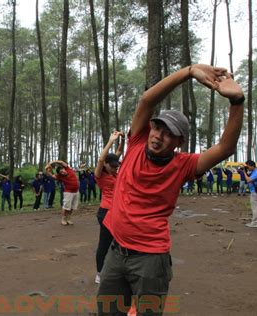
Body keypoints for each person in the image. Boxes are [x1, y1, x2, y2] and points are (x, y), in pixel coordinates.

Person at [97, 64, 244, 315]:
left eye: (168, 134)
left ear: (179, 142)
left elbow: (225, 148)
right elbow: (146, 100)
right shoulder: (135, 144)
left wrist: (237, 101)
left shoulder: (184, 165)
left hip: (150, 260)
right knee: (108, 311)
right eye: (156, 128)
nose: (157, 136)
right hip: (116, 251)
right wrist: (188, 71)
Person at [94, 130, 124, 284]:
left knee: (119, 242)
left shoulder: (114, 172)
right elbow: (100, 160)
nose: (115, 169)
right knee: (104, 243)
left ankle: (116, 270)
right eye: (112, 167)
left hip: (119, 212)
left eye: (116, 167)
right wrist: (111, 140)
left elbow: (119, 152)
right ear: (106, 165)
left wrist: (122, 139)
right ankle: (99, 272)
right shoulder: (101, 175)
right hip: (105, 212)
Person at [45, 160, 80, 225]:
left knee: (72, 207)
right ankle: (63, 219)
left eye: (62, 170)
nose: (62, 172)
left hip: (76, 191)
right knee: (66, 207)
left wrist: (52, 162)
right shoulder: (60, 176)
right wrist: (47, 169)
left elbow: (61, 162)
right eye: (61, 172)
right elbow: (51, 175)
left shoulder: (69, 169)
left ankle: (68, 218)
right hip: (68, 192)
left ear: (64, 169)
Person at [244, 160, 257, 228]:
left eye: (248, 166)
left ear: (252, 166)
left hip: (255, 192)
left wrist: (244, 172)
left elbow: (248, 180)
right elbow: (249, 175)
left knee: (255, 208)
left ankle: (255, 223)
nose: (248, 168)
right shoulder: (256, 171)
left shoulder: (256, 173)